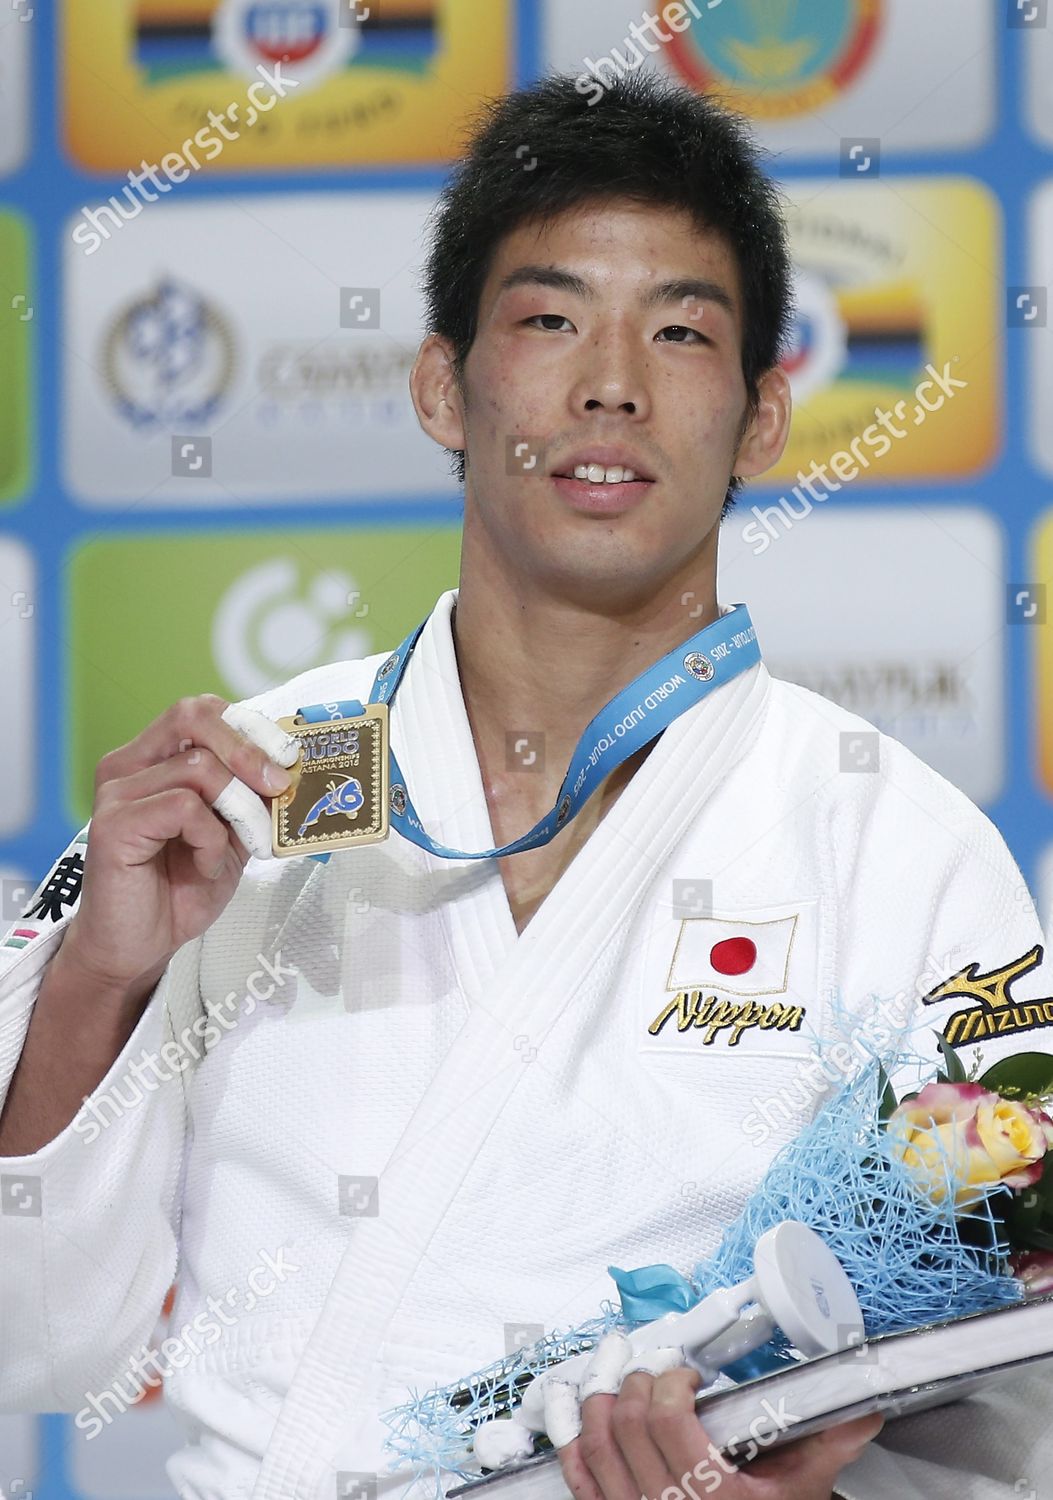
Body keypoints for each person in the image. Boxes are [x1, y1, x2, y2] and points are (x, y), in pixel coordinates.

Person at [1, 70, 1050, 1500]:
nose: (609, 382)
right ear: (442, 382)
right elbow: (38, 1349)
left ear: (758, 419)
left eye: (680, 331)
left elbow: (1001, 1435)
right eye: (550, 319)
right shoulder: (241, 789)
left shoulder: (888, 836)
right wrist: (92, 988)